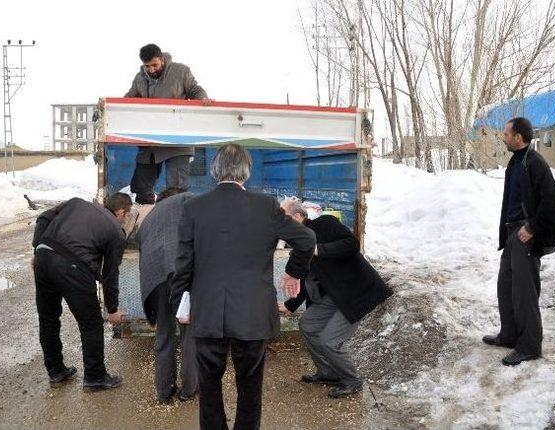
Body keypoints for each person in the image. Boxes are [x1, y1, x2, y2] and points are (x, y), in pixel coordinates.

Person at [170, 143, 316, 430]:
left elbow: (183, 262)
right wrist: (293, 273)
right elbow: (307, 240)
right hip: (252, 314)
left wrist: (181, 302)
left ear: (214, 171)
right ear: (246, 173)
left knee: (209, 386)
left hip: (208, 310)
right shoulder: (266, 206)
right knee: (250, 387)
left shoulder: (194, 207)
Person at [278, 199, 392, 398]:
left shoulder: (324, 224)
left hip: (357, 293)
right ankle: (328, 373)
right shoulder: (298, 246)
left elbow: (352, 244)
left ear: (297, 217)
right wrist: (290, 305)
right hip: (336, 296)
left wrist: (317, 250)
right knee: (307, 324)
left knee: (329, 340)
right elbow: (305, 279)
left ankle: (352, 380)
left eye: (283, 219)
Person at [482, 117, 555, 366]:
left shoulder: (534, 162)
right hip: (512, 235)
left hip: (525, 237)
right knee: (505, 287)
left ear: (519, 137)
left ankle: (530, 346)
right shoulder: (516, 161)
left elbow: (554, 201)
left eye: (507, 133)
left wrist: (532, 227)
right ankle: (509, 335)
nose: (503, 136)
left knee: (524, 293)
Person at [32, 193, 131, 391]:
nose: (127, 219)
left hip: (43, 257)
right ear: (120, 212)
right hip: (72, 266)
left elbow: (43, 217)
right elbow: (110, 273)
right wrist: (112, 310)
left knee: (48, 318)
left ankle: (56, 371)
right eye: (127, 215)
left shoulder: (76, 202)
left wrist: (37, 248)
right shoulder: (115, 231)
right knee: (91, 323)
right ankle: (95, 377)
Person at [125, 43, 210, 203]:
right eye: (147, 66)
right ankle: (147, 216)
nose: (151, 70)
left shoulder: (181, 71)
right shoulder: (139, 78)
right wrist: (110, 109)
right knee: (140, 187)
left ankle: (176, 219)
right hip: (149, 143)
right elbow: (129, 99)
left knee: (177, 190)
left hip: (177, 141)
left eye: (154, 65)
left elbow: (195, 90)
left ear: (162, 59)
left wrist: (203, 99)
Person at [137, 187, 197, 404]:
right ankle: (189, 390)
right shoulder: (186, 199)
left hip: (155, 281)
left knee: (164, 335)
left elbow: (138, 243)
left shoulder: (149, 217)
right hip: (181, 277)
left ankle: (164, 392)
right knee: (190, 334)